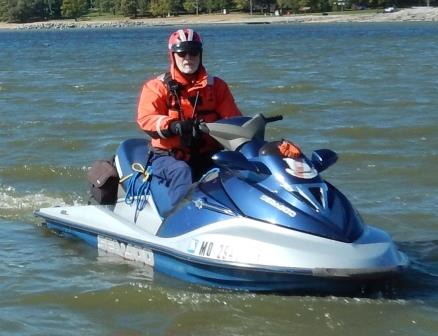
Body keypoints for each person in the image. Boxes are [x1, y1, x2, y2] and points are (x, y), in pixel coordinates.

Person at [137, 28, 242, 209]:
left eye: (193, 52)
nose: (188, 58)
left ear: (200, 54)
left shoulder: (217, 86)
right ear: (173, 55)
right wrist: (175, 126)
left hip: (207, 153)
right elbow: (146, 119)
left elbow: (234, 121)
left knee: (239, 168)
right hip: (168, 157)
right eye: (182, 53)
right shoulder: (157, 87)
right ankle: (177, 221)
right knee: (181, 171)